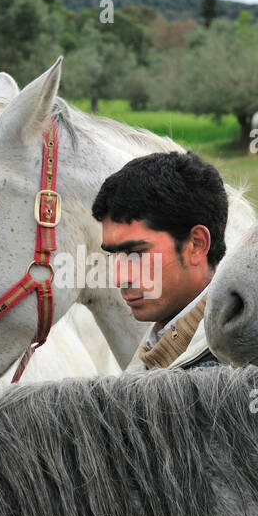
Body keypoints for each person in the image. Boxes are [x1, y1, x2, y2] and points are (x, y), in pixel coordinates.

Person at [91, 151, 227, 371]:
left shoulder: (238, 369)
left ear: (196, 244)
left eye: (137, 253)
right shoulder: (157, 346)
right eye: (115, 254)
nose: (120, 278)